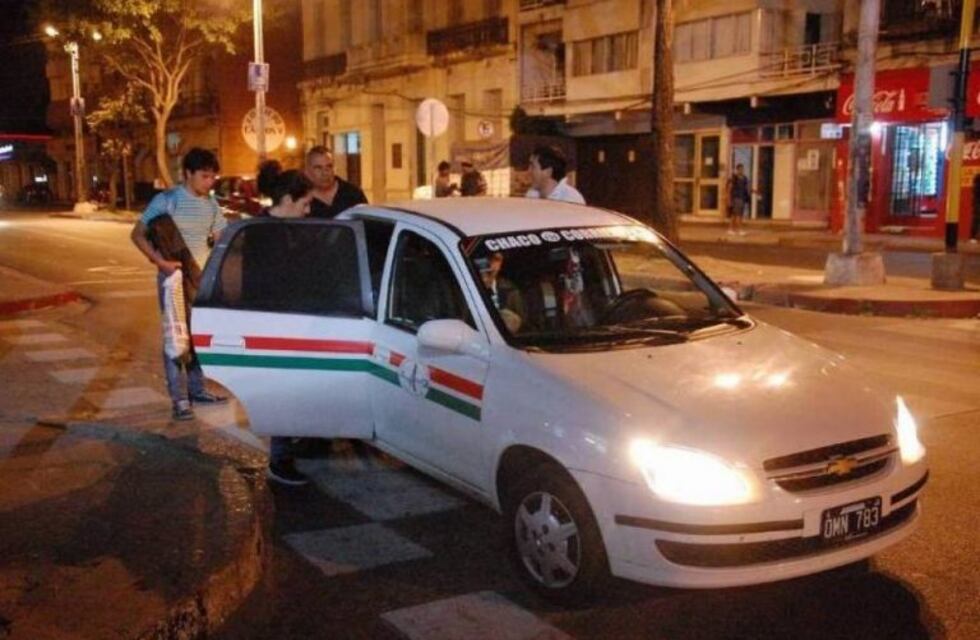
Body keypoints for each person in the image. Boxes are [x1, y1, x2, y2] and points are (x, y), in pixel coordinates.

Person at [130, 148, 228, 421]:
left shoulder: (211, 204)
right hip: (173, 280)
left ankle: (197, 389)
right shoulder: (167, 200)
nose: (209, 182)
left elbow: (220, 238)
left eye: (212, 177)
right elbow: (137, 234)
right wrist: (160, 261)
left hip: (201, 279)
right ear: (188, 174)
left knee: (198, 336)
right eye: (204, 176)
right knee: (176, 338)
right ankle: (179, 399)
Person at [254, 160, 315, 486]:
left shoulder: (286, 229)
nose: (307, 212)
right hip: (275, 328)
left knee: (291, 391)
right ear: (289, 200)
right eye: (305, 204)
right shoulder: (262, 234)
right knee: (282, 393)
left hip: (293, 324)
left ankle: (289, 449)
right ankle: (279, 460)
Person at [304, 145, 367, 219]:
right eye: (318, 168)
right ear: (307, 171)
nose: (325, 173)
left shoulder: (353, 193)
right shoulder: (302, 198)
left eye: (329, 167)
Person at [479, 251, 524, 333]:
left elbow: (522, 324)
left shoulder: (511, 291)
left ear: (501, 263)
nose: (491, 264)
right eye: (488, 259)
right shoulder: (460, 287)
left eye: (496, 259)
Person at [726, 163, 751, 236]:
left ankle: (731, 229)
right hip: (736, 198)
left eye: (743, 169)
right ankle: (739, 230)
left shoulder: (745, 178)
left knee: (735, 215)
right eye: (740, 169)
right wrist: (729, 199)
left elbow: (746, 188)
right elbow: (729, 189)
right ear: (737, 170)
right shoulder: (734, 178)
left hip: (742, 198)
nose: (742, 171)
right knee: (738, 215)